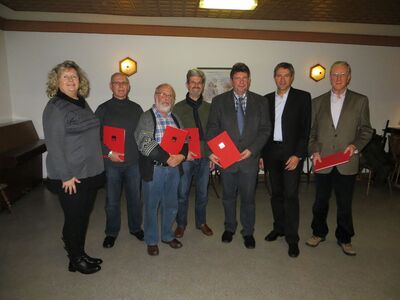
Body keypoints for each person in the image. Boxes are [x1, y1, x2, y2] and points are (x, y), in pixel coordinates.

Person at [43, 60, 105, 274]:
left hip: (89, 171)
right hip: (71, 175)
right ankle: (76, 258)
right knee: (74, 217)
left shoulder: (81, 102)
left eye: (74, 76)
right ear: (56, 81)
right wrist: (66, 176)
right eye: (65, 77)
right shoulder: (55, 107)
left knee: (83, 215)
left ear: (80, 81)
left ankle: (78, 253)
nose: (71, 80)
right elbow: (54, 145)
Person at [306, 61, 373, 256]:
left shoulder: (360, 101)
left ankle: (345, 238)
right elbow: (311, 132)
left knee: (344, 203)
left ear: (349, 77)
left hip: (346, 162)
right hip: (323, 161)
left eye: (342, 75)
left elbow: (367, 130)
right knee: (320, 201)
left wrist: (355, 146)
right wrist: (314, 150)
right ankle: (318, 232)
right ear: (329, 77)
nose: (337, 78)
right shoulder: (317, 102)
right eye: (334, 75)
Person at [206, 62, 271, 249]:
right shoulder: (219, 101)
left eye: (245, 78)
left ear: (249, 81)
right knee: (228, 196)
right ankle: (230, 227)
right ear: (231, 81)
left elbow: (265, 129)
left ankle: (248, 231)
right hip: (227, 159)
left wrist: (253, 149)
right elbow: (212, 128)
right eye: (237, 78)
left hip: (249, 159)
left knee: (248, 198)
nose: (241, 82)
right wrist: (217, 151)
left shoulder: (260, 101)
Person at [261, 62, 311, 258]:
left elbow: (305, 130)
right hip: (272, 153)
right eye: (279, 75)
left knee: (290, 196)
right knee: (276, 194)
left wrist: (298, 155)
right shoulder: (266, 99)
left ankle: (292, 238)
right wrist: (262, 156)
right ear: (274, 77)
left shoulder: (303, 97)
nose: (282, 79)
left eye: (286, 75)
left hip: (292, 155)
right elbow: (264, 130)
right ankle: (279, 228)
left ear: (292, 77)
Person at [135, 83, 188, 256]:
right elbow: (144, 142)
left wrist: (181, 156)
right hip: (155, 169)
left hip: (173, 170)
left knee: (171, 204)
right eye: (162, 94)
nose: (165, 98)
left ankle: (166, 235)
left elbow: (184, 142)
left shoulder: (176, 118)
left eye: (169, 95)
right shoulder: (146, 117)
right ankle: (151, 240)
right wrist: (167, 158)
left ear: (173, 100)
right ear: (155, 95)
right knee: (151, 205)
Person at [95, 72, 144, 249]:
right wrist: (108, 153)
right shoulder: (102, 109)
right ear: (111, 86)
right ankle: (111, 232)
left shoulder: (137, 108)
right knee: (112, 201)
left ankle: (135, 228)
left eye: (124, 83)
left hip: (133, 163)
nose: (121, 86)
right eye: (117, 83)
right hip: (111, 164)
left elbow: (142, 135)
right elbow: (94, 137)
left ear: (129, 86)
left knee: (135, 199)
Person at [172, 69, 213, 238]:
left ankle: (201, 222)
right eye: (193, 82)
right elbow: (172, 134)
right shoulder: (177, 108)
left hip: (205, 157)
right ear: (187, 84)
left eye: (199, 82)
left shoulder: (211, 108)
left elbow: (214, 133)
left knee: (203, 193)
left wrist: (212, 154)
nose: (196, 85)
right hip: (186, 158)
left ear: (202, 85)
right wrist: (181, 153)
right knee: (182, 193)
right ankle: (181, 224)